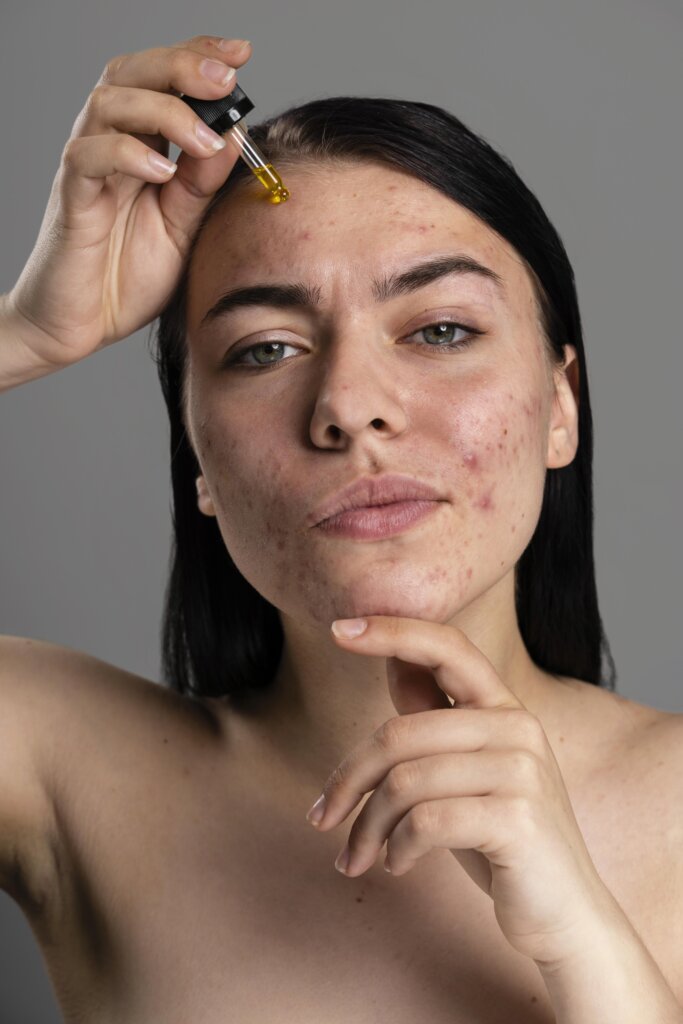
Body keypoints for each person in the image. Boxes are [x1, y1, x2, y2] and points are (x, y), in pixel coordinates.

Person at [1, 33, 682, 1024]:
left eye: (440, 330)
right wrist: (26, 333)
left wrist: (586, 944)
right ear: (197, 460)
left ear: (559, 407)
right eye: (263, 348)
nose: (349, 405)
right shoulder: (59, 765)